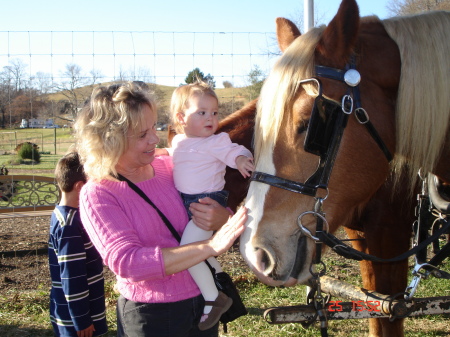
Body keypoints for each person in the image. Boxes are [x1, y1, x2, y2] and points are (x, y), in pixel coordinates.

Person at [74, 81, 247, 337]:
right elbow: (128, 263)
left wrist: (223, 218)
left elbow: (208, 212)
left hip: (203, 303)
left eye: (153, 127)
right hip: (152, 314)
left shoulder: (170, 166)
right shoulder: (99, 193)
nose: (155, 138)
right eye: (142, 134)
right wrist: (208, 248)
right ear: (110, 139)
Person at [157, 80, 254, 330]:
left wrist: (241, 159)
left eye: (214, 112)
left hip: (209, 201)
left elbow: (233, 150)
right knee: (201, 250)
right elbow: (175, 154)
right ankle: (220, 280)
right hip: (188, 204)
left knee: (189, 250)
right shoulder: (179, 141)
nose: (211, 118)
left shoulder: (216, 141)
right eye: (202, 112)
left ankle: (214, 298)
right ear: (181, 117)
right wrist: (161, 155)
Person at [48, 151, 108, 337]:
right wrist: (82, 320)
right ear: (81, 187)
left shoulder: (61, 214)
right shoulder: (70, 226)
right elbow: (73, 277)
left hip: (72, 313)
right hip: (78, 320)